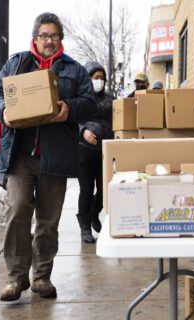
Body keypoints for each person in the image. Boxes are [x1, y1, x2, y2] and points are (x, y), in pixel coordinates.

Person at [0, 12, 96, 302]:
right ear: (34, 38)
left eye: (54, 36)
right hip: (21, 154)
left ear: (61, 39)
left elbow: (90, 103)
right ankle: (15, 277)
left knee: (48, 221)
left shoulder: (74, 70)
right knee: (18, 211)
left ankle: (42, 277)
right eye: (44, 36)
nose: (49, 41)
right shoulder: (17, 63)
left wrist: (69, 109)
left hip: (56, 156)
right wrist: (4, 112)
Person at [77, 61, 113, 243]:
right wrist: (83, 131)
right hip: (84, 152)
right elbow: (73, 120)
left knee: (104, 190)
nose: (99, 81)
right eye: (96, 78)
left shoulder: (110, 99)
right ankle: (84, 226)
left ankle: (93, 213)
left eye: (102, 78)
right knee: (86, 189)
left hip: (104, 153)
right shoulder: (81, 98)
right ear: (88, 78)